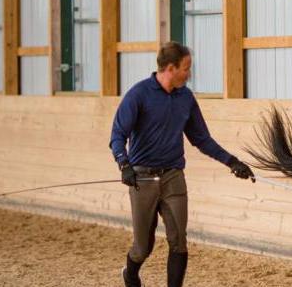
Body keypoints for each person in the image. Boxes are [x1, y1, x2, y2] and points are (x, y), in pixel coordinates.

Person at [109, 41, 255, 287]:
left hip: (173, 176)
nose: (190, 73)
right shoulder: (139, 95)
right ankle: (131, 273)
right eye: (186, 68)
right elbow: (117, 135)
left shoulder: (185, 98)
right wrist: (124, 164)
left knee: (179, 241)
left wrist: (232, 162)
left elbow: (201, 139)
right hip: (142, 179)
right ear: (170, 68)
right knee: (143, 246)